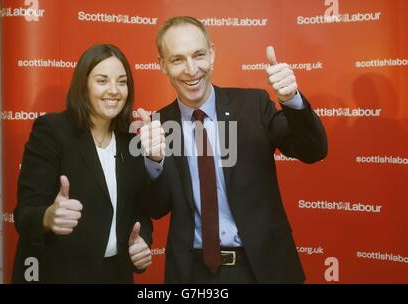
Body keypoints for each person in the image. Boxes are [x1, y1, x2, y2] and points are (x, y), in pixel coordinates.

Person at [137, 16, 328, 283]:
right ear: (162, 65)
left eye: (199, 55)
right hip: (194, 273)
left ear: (212, 54)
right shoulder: (158, 124)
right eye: (178, 59)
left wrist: (291, 99)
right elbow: (156, 208)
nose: (191, 70)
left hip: (262, 269)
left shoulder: (253, 105)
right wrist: (153, 161)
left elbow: (313, 150)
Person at [11, 44, 153, 283]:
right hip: (58, 274)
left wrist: (141, 243)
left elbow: (140, 212)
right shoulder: (52, 131)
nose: (114, 90)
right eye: (102, 80)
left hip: (114, 275)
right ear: (83, 85)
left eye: (121, 81)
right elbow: (25, 215)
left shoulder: (131, 140)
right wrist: (49, 216)